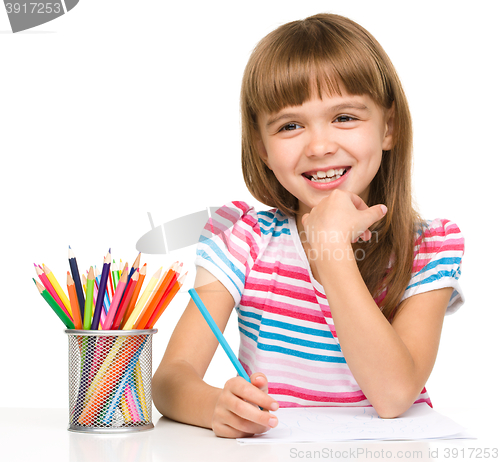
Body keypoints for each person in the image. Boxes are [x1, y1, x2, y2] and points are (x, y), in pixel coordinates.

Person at [152, 13, 465, 439]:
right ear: (262, 147)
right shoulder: (241, 240)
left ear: (388, 127)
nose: (319, 146)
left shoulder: (429, 247)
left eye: (345, 118)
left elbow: (393, 396)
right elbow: (171, 380)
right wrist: (217, 407)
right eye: (291, 126)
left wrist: (330, 246)